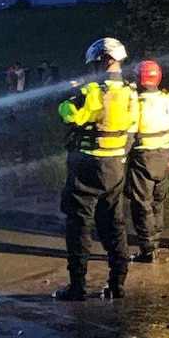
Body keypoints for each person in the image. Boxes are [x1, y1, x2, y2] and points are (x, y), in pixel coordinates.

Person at [55, 37, 139, 300]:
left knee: (78, 223)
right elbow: (133, 129)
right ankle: (117, 285)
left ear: (103, 61)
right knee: (114, 223)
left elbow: (70, 114)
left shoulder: (90, 91)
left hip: (87, 165)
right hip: (115, 165)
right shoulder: (130, 91)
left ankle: (77, 287)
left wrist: (69, 94)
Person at [126, 60, 169, 262]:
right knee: (157, 202)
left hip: (141, 157)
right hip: (164, 156)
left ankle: (147, 250)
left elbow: (128, 133)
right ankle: (156, 242)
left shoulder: (133, 102)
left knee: (141, 204)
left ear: (139, 78)